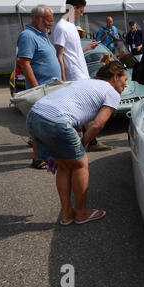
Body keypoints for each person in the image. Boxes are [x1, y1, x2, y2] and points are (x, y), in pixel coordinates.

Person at [26, 60, 127, 226]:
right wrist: (83, 144)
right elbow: (97, 124)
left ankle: (67, 214)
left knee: (64, 166)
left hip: (34, 116)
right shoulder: (112, 92)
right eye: (125, 80)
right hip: (56, 121)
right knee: (80, 164)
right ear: (115, 77)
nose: (126, 84)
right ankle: (81, 213)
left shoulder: (86, 82)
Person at [54, 1, 112, 152]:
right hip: (74, 75)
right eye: (81, 11)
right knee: (85, 109)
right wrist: (63, 79)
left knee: (86, 109)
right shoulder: (61, 27)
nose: (81, 14)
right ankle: (86, 142)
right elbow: (59, 55)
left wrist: (86, 47)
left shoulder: (71, 26)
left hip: (81, 73)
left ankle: (88, 141)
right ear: (74, 8)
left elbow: (73, 51)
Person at [17, 5, 62, 170]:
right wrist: (37, 89)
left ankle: (47, 156)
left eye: (52, 20)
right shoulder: (27, 36)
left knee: (48, 124)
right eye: (49, 20)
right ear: (37, 18)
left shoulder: (42, 35)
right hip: (41, 89)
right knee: (40, 126)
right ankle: (38, 159)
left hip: (50, 88)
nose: (51, 23)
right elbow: (24, 63)